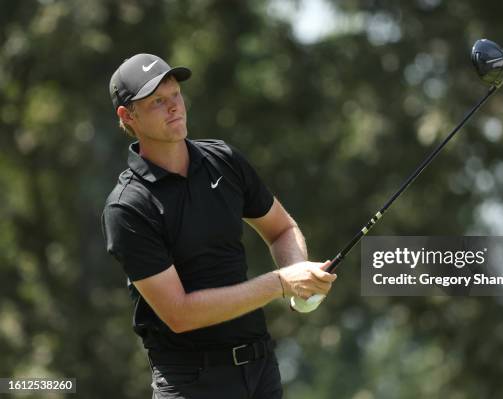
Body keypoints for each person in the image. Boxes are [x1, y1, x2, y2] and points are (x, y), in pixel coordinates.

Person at [101, 53, 336, 399]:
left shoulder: (223, 160)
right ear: (127, 115)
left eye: (176, 95)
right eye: (157, 102)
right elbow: (179, 314)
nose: (174, 107)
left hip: (261, 372)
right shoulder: (128, 206)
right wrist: (280, 284)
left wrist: (298, 275)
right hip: (192, 382)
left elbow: (281, 229)